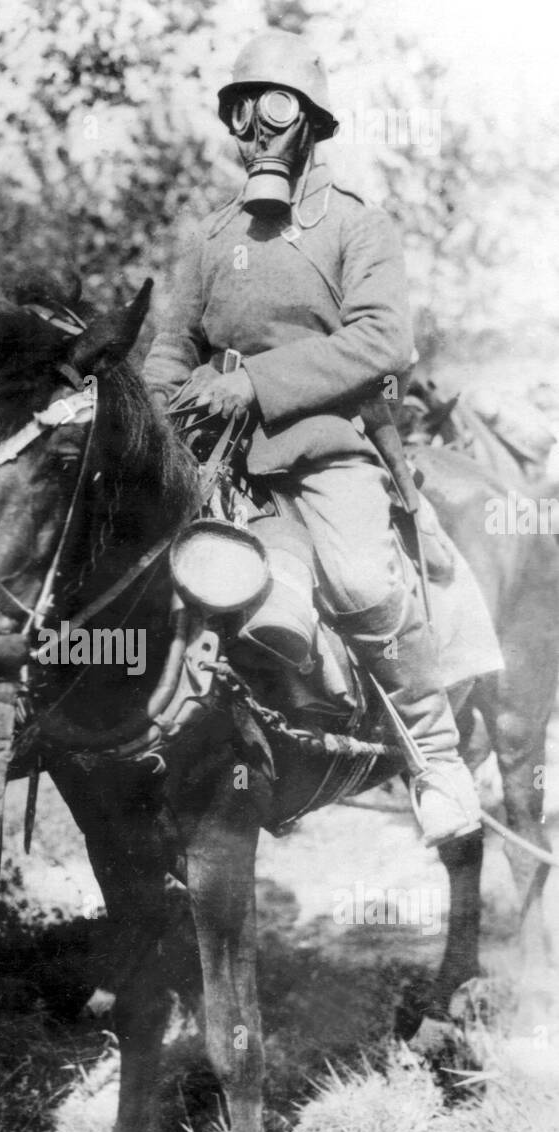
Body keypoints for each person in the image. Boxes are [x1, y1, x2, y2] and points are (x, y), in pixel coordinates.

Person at [143, 28, 482, 847]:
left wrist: (255, 382)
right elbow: (171, 346)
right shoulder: (210, 237)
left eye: (273, 108)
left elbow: (382, 341)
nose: (254, 130)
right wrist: (152, 416)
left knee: (361, 581)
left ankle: (435, 756)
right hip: (210, 454)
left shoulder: (358, 226)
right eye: (239, 113)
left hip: (324, 449)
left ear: (312, 122)